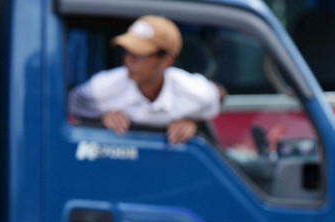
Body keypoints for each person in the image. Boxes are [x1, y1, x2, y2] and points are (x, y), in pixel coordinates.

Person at [68, 15, 223, 146]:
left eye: (141, 55)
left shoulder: (194, 92)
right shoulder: (101, 88)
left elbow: (219, 93)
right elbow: (68, 103)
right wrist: (101, 118)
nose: (129, 60)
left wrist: (193, 121)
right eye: (127, 51)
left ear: (166, 61)